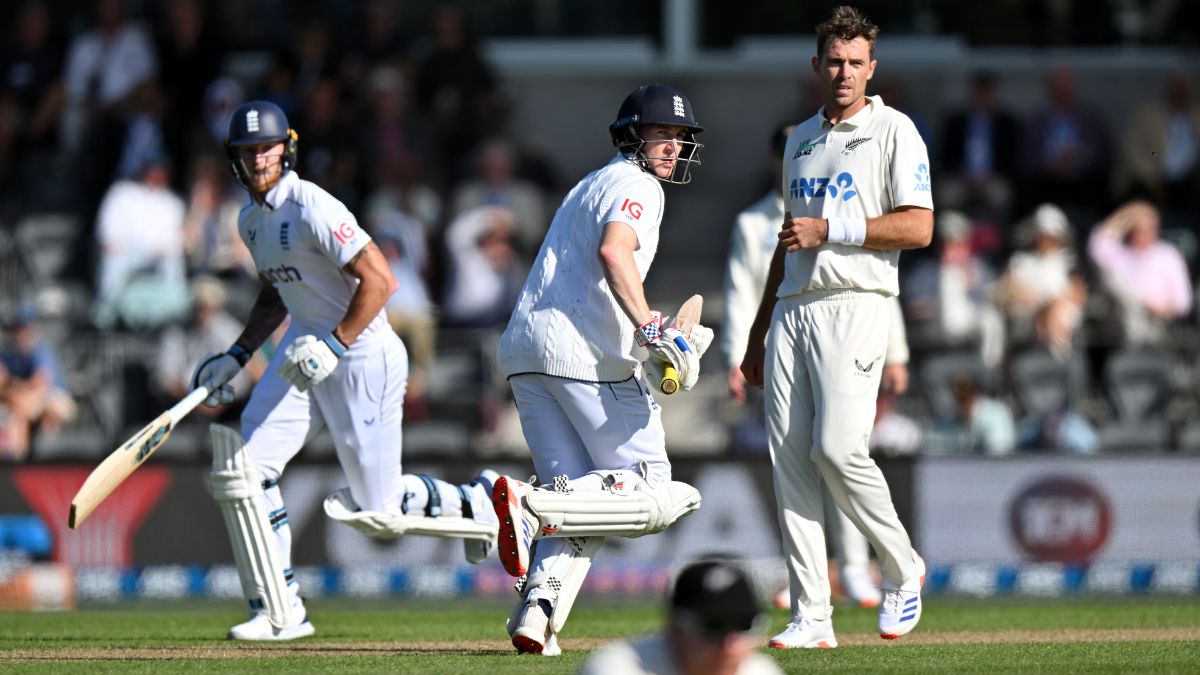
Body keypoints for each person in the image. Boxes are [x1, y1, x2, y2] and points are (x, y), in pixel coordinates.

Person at [188, 101, 499, 641]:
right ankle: (280, 612)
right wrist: (237, 354)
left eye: (267, 147)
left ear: (287, 147)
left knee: (377, 512)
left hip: (362, 355)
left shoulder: (312, 205)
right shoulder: (249, 220)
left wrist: (334, 343)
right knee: (246, 470)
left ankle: (479, 501)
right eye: (247, 151)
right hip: (305, 354)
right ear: (234, 159)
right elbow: (277, 292)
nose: (259, 159)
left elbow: (380, 280)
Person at [489, 83, 711, 655]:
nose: (673, 147)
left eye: (680, 137)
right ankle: (529, 502)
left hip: (527, 354)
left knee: (585, 501)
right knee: (654, 490)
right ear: (632, 135)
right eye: (662, 134)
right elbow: (615, 252)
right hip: (583, 357)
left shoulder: (591, 182)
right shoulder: (637, 185)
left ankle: (536, 614)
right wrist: (652, 330)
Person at [740, 6, 932, 648]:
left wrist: (835, 229)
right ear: (816, 66)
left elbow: (919, 226)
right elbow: (787, 241)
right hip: (794, 308)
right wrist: (757, 332)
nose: (845, 72)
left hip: (858, 301)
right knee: (790, 464)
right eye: (835, 61)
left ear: (871, 67)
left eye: (856, 62)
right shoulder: (799, 138)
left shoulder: (895, 131)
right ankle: (811, 615)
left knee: (838, 449)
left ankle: (903, 568)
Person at [722, 124, 880, 610]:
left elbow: (869, 276)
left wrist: (895, 353)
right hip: (780, 345)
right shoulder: (752, 223)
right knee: (795, 459)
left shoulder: (843, 206)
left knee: (837, 450)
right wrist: (738, 352)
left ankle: (854, 567)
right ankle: (805, 576)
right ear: (778, 159)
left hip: (838, 339)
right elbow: (740, 289)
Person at [579, 559, 783, 675]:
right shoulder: (617, 669)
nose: (728, 645)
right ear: (675, 628)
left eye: (744, 625)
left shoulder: (760, 670)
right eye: (714, 626)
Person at [1088, 199, 1192, 345]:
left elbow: (1183, 303)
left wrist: (1159, 309)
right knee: (1111, 279)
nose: (1142, 235)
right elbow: (1097, 245)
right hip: (1123, 322)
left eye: (1149, 229)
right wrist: (1129, 213)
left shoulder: (1168, 255)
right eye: (1137, 229)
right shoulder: (1120, 254)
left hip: (1160, 326)